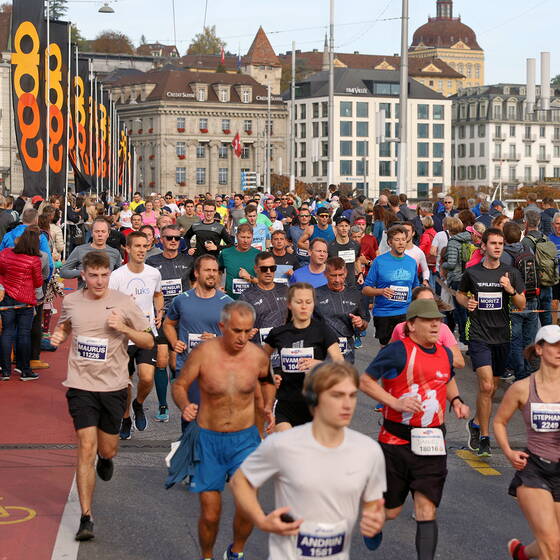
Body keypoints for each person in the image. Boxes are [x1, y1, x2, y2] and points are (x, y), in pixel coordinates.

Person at [230, 362, 387, 560]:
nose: (347, 404)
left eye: (352, 395)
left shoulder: (368, 450)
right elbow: (240, 481)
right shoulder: (283, 445)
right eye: (337, 395)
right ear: (315, 398)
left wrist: (374, 517)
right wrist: (261, 521)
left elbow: (373, 503)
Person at [50, 251, 153, 541]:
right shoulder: (71, 301)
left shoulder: (123, 302)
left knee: (105, 449)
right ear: (83, 274)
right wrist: (60, 333)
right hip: (81, 385)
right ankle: (86, 517)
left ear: (110, 274)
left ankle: (107, 458)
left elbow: (148, 339)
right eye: (92, 275)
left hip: (113, 387)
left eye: (103, 275)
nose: (98, 281)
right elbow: (68, 323)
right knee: (85, 446)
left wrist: (123, 328)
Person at [360, 298, 470, 560]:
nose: (436, 325)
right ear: (411, 325)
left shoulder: (444, 353)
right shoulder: (397, 351)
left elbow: (448, 379)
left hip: (431, 442)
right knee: (392, 511)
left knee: (426, 510)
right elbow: (365, 381)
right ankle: (373, 517)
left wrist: (456, 400)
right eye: (429, 320)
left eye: (438, 321)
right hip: (395, 442)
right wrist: (395, 402)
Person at [171, 301, 272, 560]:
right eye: (236, 330)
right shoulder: (204, 353)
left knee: (247, 505)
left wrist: (266, 418)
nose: (242, 338)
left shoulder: (258, 356)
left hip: (245, 439)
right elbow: (180, 384)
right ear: (222, 326)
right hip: (208, 439)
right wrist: (184, 405)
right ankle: (207, 556)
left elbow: (264, 389)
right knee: (210, 513)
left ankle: (236, 552)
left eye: (248, 331)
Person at [457, 228, 526, 457]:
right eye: (493, 243)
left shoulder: (511, 272)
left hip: (501, 336)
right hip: (478, 335)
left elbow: (522, 304)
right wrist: (467, 301)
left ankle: (476, 423)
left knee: (493, 386)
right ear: (484, 246)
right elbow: (460, 293)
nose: (497, 247)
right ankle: (485, 437)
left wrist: (510, 289)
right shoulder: (473, 272)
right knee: (486, 386)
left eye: (501, 243)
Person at [494, 325, 560, 560]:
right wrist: (508, 452)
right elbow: (500, 422)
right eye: (554, 345)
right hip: (535, 470)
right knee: (551, 544)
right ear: (540, 349)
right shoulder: (522, 388)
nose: (559, 350)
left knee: (555, 545)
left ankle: (521, 553)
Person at [263, 282, 343, 431]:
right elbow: (260, 359)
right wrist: (270, 376)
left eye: (308, 302)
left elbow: (340, 363)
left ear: (314, 304)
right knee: (288, 448)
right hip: (286, 404)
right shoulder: (278, 332)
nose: (304, 306)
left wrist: (319, 364)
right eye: (299, 302)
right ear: (289, 304)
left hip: (316, 404)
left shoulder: (323, 331)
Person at [108, 232, 163, 440]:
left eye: (144, 246)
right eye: (137, 246)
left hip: (147, 334)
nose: (141, 250)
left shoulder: (153, 274)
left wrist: (159, 312)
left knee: (147, 378)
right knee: (125, 382)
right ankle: (125, 418)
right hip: (123, 337)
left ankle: (138, 404)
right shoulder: (117, 276)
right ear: (127, 249)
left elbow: (158, 294)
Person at [164, 255, 233, 417]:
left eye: (215, 271)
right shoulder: (181, 300)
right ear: (196, 273)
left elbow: (236, 338)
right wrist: (174, 342)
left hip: (216, 368)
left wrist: (217, 340)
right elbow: (168, 324)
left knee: (214, 420)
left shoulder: (227, 303)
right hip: (187, 367)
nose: (212, 274)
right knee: (191, 419)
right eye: (207, 270)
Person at [147, 224, 194, 422]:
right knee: (161, 360)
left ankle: (179, 390)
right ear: (162, 240)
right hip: (160, 316)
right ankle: (163, 406)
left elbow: (195, 286)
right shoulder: (152, 261)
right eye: (169, 238)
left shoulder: (189, 261)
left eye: (176, 238)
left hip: (181, 317)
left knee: (175, 361)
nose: (173, 241)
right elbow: (148, 289)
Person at [363, 225, 420, 346]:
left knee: (405, 349)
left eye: (403, 239)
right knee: (387, 351)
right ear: (389, 242)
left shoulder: (411, 262)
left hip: (405, 312)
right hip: (384, 313)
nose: (401, 243)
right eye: (397, 240)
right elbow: (366, 289)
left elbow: (415, 287)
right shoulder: (379, 261)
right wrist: (381, 291)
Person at [0, 227, 44, 381]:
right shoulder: (34, 260)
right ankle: (24, 369)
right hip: (25, 300)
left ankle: (5, 371)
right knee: (24, 334)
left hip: (7, 298)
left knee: (7, 332)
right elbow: (38, 282)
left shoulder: (5, 253)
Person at [390, 286, 465, 369]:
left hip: (436, 377)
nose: (429, 305)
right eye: (423, 302)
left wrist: (431, 357)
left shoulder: (443, 329)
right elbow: (389, 354)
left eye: (431, 301)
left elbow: (459, 362)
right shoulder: (400, 328)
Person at [314, 257, 369, 363]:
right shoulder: (315, 294)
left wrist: (360, 323)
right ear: (325, 274)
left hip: (346, 351)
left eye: (341, 275)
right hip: (321, 350)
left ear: (346, 273)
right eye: (333, 275)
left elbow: (364, 323)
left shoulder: (355, 295)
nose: (337, 280)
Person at [61, 217, 122, 288]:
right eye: (97, 231)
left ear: (108, 233)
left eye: (103, 231)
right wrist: (83, 273)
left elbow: (120, 274)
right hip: (84, 296)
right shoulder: (79, 250)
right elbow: (63, 272)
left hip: (106, 296)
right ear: (92, 233)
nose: (100, 234)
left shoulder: (115, 253)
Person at [218, 223, 260, 299]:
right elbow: (217, 271)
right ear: (237, 237)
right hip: (230, 300)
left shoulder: (259, 255)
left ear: (252, 237)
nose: (245, 241)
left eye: (248, 237)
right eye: (243, 237)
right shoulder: (225, 253)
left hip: (253, 301)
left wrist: (249, 277)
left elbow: (264, 283)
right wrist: (217, 286)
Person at [328, 216, 361, 287]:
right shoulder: (329, 246)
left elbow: (357, 260)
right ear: (336, 227)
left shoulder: (355, 245)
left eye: (346, 226)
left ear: (349, 227)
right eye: (341, 226)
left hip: (351, 284)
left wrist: (360, 273)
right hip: (336, 284)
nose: (344, 228)